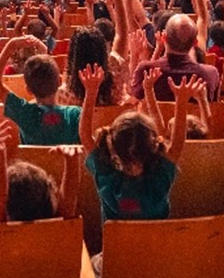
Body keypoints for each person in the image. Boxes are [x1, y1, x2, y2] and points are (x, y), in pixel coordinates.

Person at [79, 64, 198, 221]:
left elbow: (85, 136)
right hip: (158, 238)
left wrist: (91, 92)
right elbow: (177, 145)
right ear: (153, 146)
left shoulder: (107, 177)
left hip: (114, 239)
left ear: (113, 148)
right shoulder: (159, 178)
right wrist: (181, 102)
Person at [0, 36, 82, 145]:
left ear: (29, 90)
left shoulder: (24, 113)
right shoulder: (75, 114)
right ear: (59, 82)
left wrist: (11, 45)